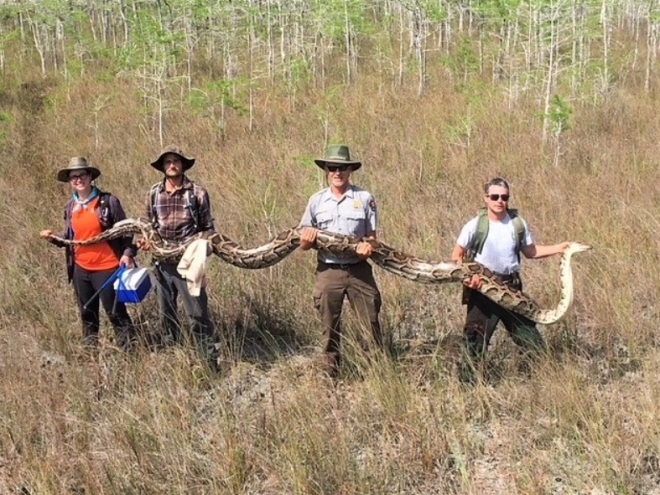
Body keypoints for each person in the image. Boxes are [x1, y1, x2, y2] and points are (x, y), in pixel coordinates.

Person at [451, 177, 570, 382]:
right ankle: (468, 389)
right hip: (482, 291)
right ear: (486, 198)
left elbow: (530, 251)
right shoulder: (474, 225)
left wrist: (559, 248)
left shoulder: (517, 223)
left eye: (504, 197)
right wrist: (469, 279)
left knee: (531, 341)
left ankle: (542, 382)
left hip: (511, 289)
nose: (500, 201)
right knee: (474, 343)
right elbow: (457, 255)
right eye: (495, 196)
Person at [299, 145, 383, 378]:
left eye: (342, 167)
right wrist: (306, 239)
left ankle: (376, 374)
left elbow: (374, 239)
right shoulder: (316, 201)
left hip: (359, 270)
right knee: (329, 327)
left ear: (350, 170)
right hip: (329, 270)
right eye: (333, 167)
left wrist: (369, 246)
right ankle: (330, 376)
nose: (338, 172)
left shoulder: (365, 198)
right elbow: (303, 243)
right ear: (326, 170)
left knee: (370, 323)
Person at [40, 157, 137, 351]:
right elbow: (71, 237)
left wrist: (127, 253)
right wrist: (53, 238)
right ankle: (90, 354)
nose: (78, 179)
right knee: (87, 313)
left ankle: (131, 354)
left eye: (82, 174)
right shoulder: (70, 207)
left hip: (108, 268)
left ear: (90, 176)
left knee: (115, 312)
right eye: (73, 176)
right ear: (69, 181)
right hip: (80, 269)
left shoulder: (108, 201)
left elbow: (127, 230)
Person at [138, 145, 218, 368]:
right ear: (163, 167)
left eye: (176, 161)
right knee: (167, 313)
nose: (172, 165)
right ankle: (172, 358)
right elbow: (148, 225)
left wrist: (204, 247)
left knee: (197, 313)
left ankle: (208, 359)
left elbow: (208, 228)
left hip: (189, 262)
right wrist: (145, 242)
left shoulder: (197, 192)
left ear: (182, 165)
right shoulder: (153, 193)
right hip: (162, 263)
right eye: (167, 162)